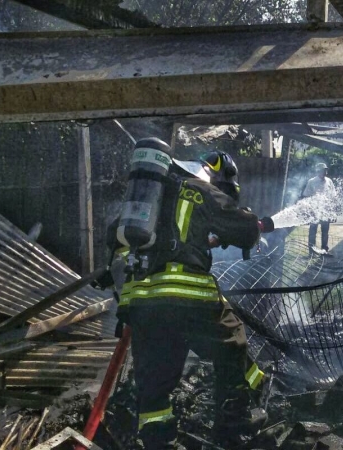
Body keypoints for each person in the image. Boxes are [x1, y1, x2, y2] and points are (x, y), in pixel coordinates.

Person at [103, 139, 272, 449]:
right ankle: (233, 429)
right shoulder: (201, 189)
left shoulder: (145, 200)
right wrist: (248, 224)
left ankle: (158, 442)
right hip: (186, 296)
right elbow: (246, 229)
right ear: (216, 178)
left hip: (141, 304)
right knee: (232, 342)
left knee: (155, 383)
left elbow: (116, 236)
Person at [301, 162, 336, 253]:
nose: (325, 172)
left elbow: (333, 197)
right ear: (318, 171)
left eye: (325, 170)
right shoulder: (312, 181)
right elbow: (306, 195)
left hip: (326, 210)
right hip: (314, 210)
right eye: (323, 170)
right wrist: (308, 210)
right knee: (313, 231)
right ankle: (312, 250)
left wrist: (333, 211)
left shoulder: (329, 181)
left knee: (325, 231)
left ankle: (324, 249)